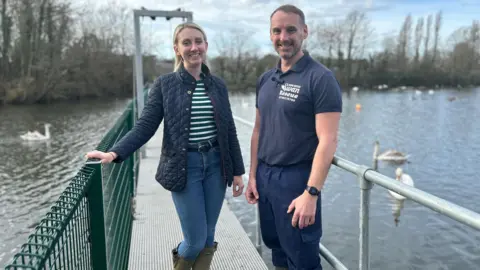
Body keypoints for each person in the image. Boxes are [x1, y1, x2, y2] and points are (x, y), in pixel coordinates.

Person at [86, 22, 246, 270]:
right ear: (177, 49)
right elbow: (145, 126)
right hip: (185, 167)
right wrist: (114, 152)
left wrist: (238, 171)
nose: (194, 47)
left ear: (205, 45)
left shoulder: (218, 86)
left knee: (208, 236)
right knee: (194, 242)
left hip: (216, 165)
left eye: (198, 41)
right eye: (187, 42)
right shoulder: (165, 84)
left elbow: (229, 130)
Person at [245, 4, 342, 270]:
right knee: (276, 251)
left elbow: (328, 140)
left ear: (305, 31)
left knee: (302, 259)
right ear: (270, 34)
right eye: (277, 31)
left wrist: (311, 193)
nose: (283, 37)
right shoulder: (266, 79)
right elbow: (257, 131)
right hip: (265, 178)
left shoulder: (320, 78)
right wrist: (253, 176)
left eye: (291, 30)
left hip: (297, 181)